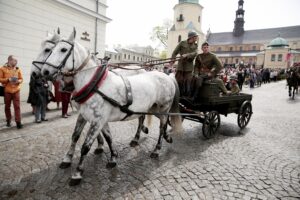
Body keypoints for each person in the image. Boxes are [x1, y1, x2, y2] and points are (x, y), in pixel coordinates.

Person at [170, 31, 199, 96]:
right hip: (181, 66)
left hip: (189, 67)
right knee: (177, 81)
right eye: (195, 37)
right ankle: (175, 95)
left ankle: (187, 96)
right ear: (191, 37)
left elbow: (195, 53)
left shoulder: (195, 46)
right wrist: (173, 60)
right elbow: (175, 52)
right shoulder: (182, 43)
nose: (197, 38)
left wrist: (187, 55)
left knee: (188, 83)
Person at [0, 55, 23, 128]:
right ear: (9, 60)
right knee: (7, 107)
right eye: (15, 60)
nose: (16, 62)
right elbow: (0, 79)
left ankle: (18, 122)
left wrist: (19, 81)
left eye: (16, 60)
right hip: (7, 90)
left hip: (16, 90)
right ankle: (8, 120)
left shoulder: (18, 69)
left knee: (17, 106)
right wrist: (8, 80)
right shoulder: (2, 68)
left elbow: (21, 79)